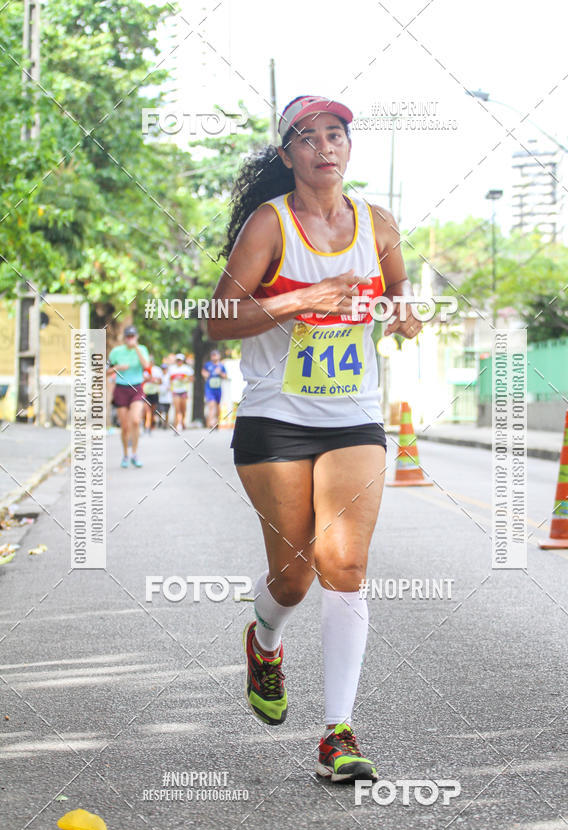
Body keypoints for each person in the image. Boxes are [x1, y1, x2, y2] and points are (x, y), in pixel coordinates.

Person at [208, 95, 423, 783]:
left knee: (345, 564)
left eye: (337, 135)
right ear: (288, 155)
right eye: (309, 138)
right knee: (294, 576)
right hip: (275, 416)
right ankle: (265, 641)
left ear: (348, 148)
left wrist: (404, 313)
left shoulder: (378, 224)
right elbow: (218, 319)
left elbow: (398, 292)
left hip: (352, 416)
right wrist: (302, 298)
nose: (325, 147)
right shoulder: (269, 226)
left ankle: (338, 733)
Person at [107, 325, 149, 468]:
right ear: (124, 338)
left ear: (136, 337)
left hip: (137, 388)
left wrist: (136, 348)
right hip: (121, 389)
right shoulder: (116, 352)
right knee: (125, 426)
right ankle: (125, 454)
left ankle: (134, 454)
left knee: (135, 421)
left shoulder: (142, 349)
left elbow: (146, 365)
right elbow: (104, 371)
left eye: (132, 336)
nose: (130, 339)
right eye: (128, 336)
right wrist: (117, 368)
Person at [201, 349, 229, 428]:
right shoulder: (208, 365)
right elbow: (203, 372)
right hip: (209, 389)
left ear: (219, 356)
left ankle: (217, 423)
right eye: (213, 355)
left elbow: (225, 376)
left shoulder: (221, 366)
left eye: (215, 355)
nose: (214, 357)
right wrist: (206, 374)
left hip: (218, 389)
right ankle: (210, 423)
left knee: (218, 406)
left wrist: (220, 373)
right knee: (211, 405)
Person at [168, 352, 194, 433]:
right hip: (175, 391)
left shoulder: (187, 368)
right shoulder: (172, 369)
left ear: (183, 361)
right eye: (178, 360)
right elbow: (169, 379)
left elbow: (192, 379)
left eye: (180, 360)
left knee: (183, 409)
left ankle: (182, 422)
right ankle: (176, 426)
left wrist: (184, 379)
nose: (179, 362)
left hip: (184, 390)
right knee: (177, 409)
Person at [142, 355, 162, 433]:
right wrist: (147, 379)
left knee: (152, 411)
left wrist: (154, 380)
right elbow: (141, 379)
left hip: (154, 392)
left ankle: (151, 425)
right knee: (147, 411)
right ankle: (146, 426)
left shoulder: (157, 369)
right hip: (145, 393)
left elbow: (160, 381)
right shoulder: (144, 369)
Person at [157, 361, 172, 428]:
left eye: (165, 368)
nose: (164, 370)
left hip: (168, 397)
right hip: (161, 396)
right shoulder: (160, 376)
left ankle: (165, 424)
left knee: (167, 411)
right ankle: (160, 421)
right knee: (160, 410)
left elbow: (171, 384)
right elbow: (158, 383)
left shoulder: (169, 376)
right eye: (163, 369)